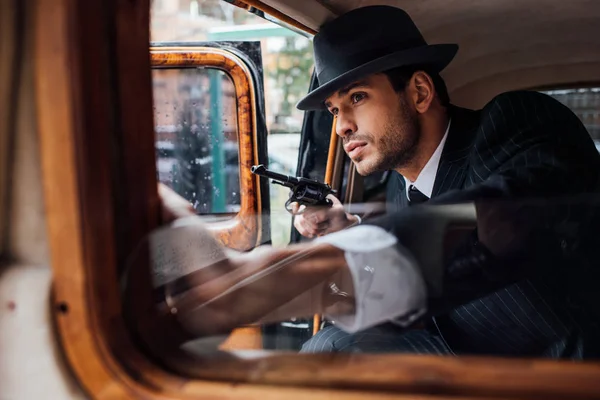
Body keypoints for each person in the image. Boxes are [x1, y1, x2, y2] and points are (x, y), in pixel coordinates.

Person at [144, 5, 600, 358]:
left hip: (563, 375)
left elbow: (507, 218)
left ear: (419, 92)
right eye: (335, 111)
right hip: (464, 370)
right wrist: (348, 236)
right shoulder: (400, 192)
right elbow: (395, 305)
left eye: (357, 97)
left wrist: (265, 282)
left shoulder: (511, 123)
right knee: (333, 347)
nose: (342, 126)